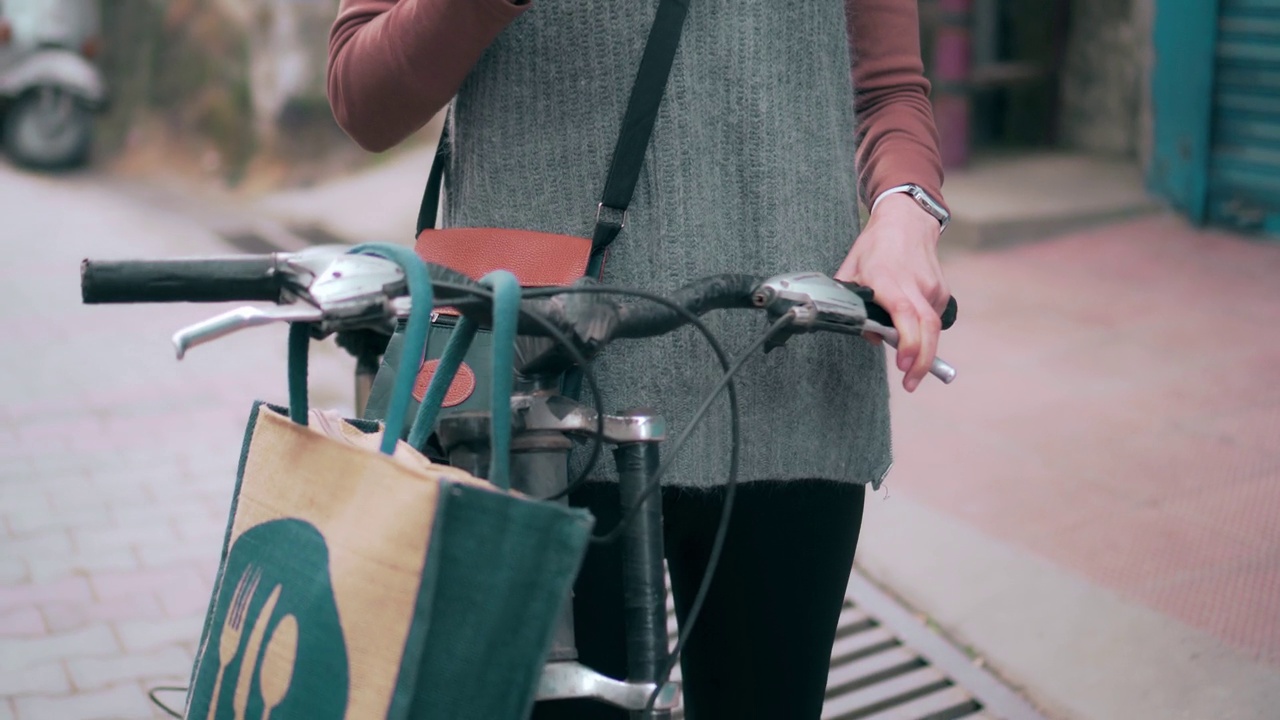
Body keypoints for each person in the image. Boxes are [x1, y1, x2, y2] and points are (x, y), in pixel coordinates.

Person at [327, 0, 952, 717]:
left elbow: (887, 91)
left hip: (791, 370)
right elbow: (362, 96)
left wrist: (907, 209)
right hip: (540, 395)